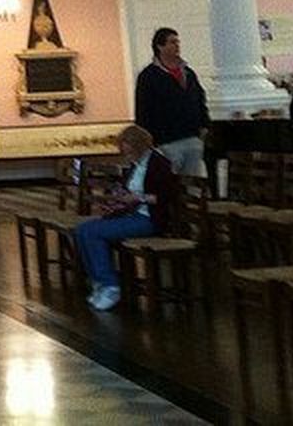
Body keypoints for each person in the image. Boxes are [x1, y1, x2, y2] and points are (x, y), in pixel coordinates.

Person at [73, 124, 178, 311]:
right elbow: (129, 189)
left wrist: (138, 197)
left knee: (93, 233)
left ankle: (110, 285)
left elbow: (166, 196)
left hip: (150, 219)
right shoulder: (136, 165)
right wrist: (115, 200)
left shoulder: (159, 164)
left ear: (138, 146)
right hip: (134, 214)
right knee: (82, 230)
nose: (126, 155)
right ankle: (97, 280)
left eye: (128, 150)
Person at [132, 28, 209, 177]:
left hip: (192, 137)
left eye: (178, 42)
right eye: (172, 42)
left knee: (194, 184)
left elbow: (200, 98)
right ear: (160, 46)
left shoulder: (188, 72)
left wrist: (204, 124)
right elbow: (143, 108)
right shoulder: (149, 76)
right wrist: (147, 139)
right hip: (166, 140)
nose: (177, 46)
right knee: (170, 182)